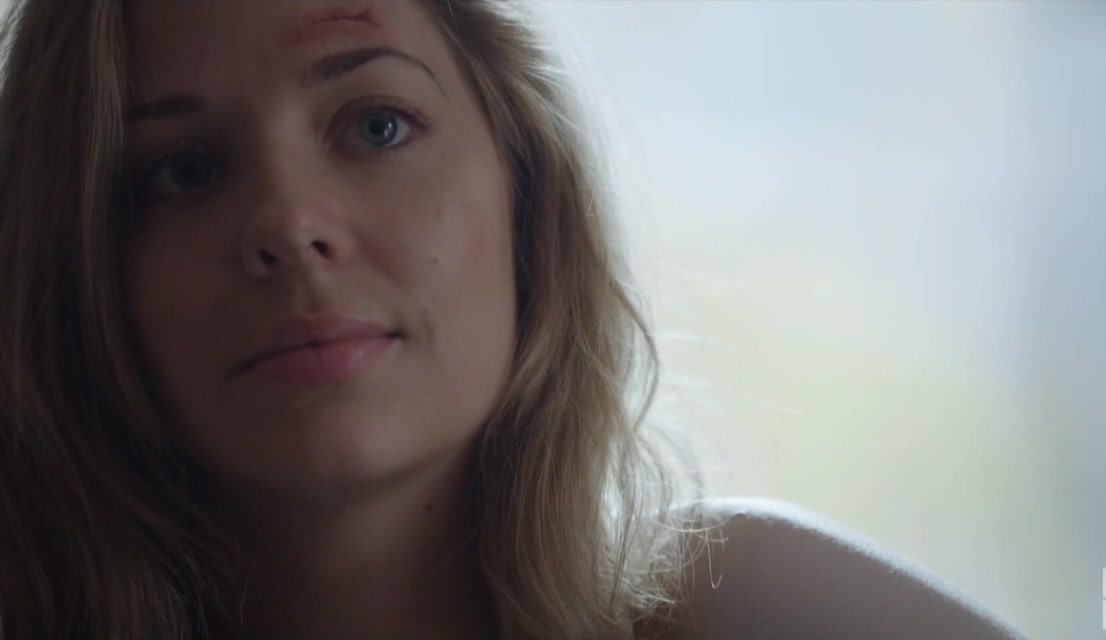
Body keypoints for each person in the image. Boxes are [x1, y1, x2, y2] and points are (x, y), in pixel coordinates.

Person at [0, 1, 1026, 638]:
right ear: (74, 273)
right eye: (181, 172)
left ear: (526, 188)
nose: (288, 222)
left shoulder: (753, 608)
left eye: (377, 124)